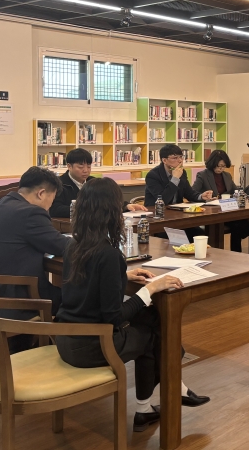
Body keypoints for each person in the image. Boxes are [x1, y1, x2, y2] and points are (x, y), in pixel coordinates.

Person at [55, 178, 209, 433]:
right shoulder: (108, 254)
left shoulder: (74, 244)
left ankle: (150, 406)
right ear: (112, 211)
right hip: (92, 347)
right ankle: (164, 395)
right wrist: (150, 289)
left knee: (152, 319)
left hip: (67, 339)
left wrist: (122, 275)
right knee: (156, 334)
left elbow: (87, 281)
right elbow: (113, 318)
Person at [0, 167, 71, 351]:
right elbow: (61, 246)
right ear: (41, 193)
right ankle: (59, 350)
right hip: (15, 299)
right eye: (52, 199)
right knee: (77, 298)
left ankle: (42, 345)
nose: (50, 206)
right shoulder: (31, 213)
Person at [49, 148, 145, 218]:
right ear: (69, 166)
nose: (86, 170)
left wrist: (126, 206)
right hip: (69, 226)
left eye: (89, 166)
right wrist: (88, 209)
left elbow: (109, 200)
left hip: (95, 225)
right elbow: (55, 209)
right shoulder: (59, 184)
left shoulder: (93, 182)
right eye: (81, 167)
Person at [145, 144, 213, 241]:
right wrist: (175, 179)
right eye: (175, 158)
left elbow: (189, 193)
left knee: (200, 234)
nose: (180, 160)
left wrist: (201, 196)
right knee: (176, 238)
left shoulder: (182, 172)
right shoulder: (153, 175)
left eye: (181, 157)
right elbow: (162, 200)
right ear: (164, 160)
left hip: (177, 216)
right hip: (158, 218)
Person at [193, 150, 249, 253]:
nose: (220, 169)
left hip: (228, 210)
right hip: (213, 213)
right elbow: (193, 193)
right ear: (212, 164)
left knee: (241, 222)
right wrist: (204, 197)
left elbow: (235, 190)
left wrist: (244, 192)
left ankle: (237, 253)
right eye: (218, 166)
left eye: (223, 166)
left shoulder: (227, 175)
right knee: (240, 224)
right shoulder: (202, 175)